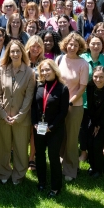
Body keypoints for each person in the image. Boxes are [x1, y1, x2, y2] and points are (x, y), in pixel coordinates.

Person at [0, 40, 36, 185]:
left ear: (22, 53)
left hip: (21, 118)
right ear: (8, 53)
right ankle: (3, 172)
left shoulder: (30, 72)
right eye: (12, 51)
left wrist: (19, 116)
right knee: (2, 147)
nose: (15, 54)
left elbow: (29, 97)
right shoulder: (1, 69)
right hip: (2, 116)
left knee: (20, 148)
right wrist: (3, 114)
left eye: (18, 51)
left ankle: (18, 174)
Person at [31, 59, 69, 197]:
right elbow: (34, 106)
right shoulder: (39, 86)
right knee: (39, 155)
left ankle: (55, 187)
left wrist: (51, 127)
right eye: (42, 70)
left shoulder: (62, 88)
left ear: (54, 70)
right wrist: (34, 122)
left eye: (48, 69)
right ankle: (41, 182)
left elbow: (63, 112)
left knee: (53, 157)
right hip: (39, 127)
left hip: (55, 129)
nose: (45, 72)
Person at [57, 33, 89, 181]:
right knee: (60, 136)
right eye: (70, 44)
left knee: (71, 138)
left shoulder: (83, 63)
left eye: (75, 45)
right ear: (65, 45)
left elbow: (82, 88)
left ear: (79, 47)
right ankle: (62, 162)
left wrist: (69, 102)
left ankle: (70, 170)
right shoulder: (59, 59)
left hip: (74, 106)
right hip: (58, 105)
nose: (72, 47)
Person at [83, 66, 104, 178]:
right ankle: (92, 165)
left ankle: (100, 169)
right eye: (95, 77)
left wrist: (99, 126)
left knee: (97, 143)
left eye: (101, 77)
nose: (98, 79)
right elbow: (91, 106)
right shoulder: (90, 86)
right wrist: (94, 124)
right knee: (89, 141)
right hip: (94, 119)